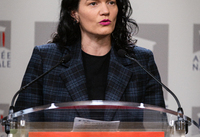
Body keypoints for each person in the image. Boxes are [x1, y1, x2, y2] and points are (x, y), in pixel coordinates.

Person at [14, 0, 166, 122]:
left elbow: (160, 128)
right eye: (93, 3)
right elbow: (22, 125)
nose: (105, 11)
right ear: (74, 13)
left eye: (111, 2)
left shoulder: (140, 61)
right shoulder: (47, 59)